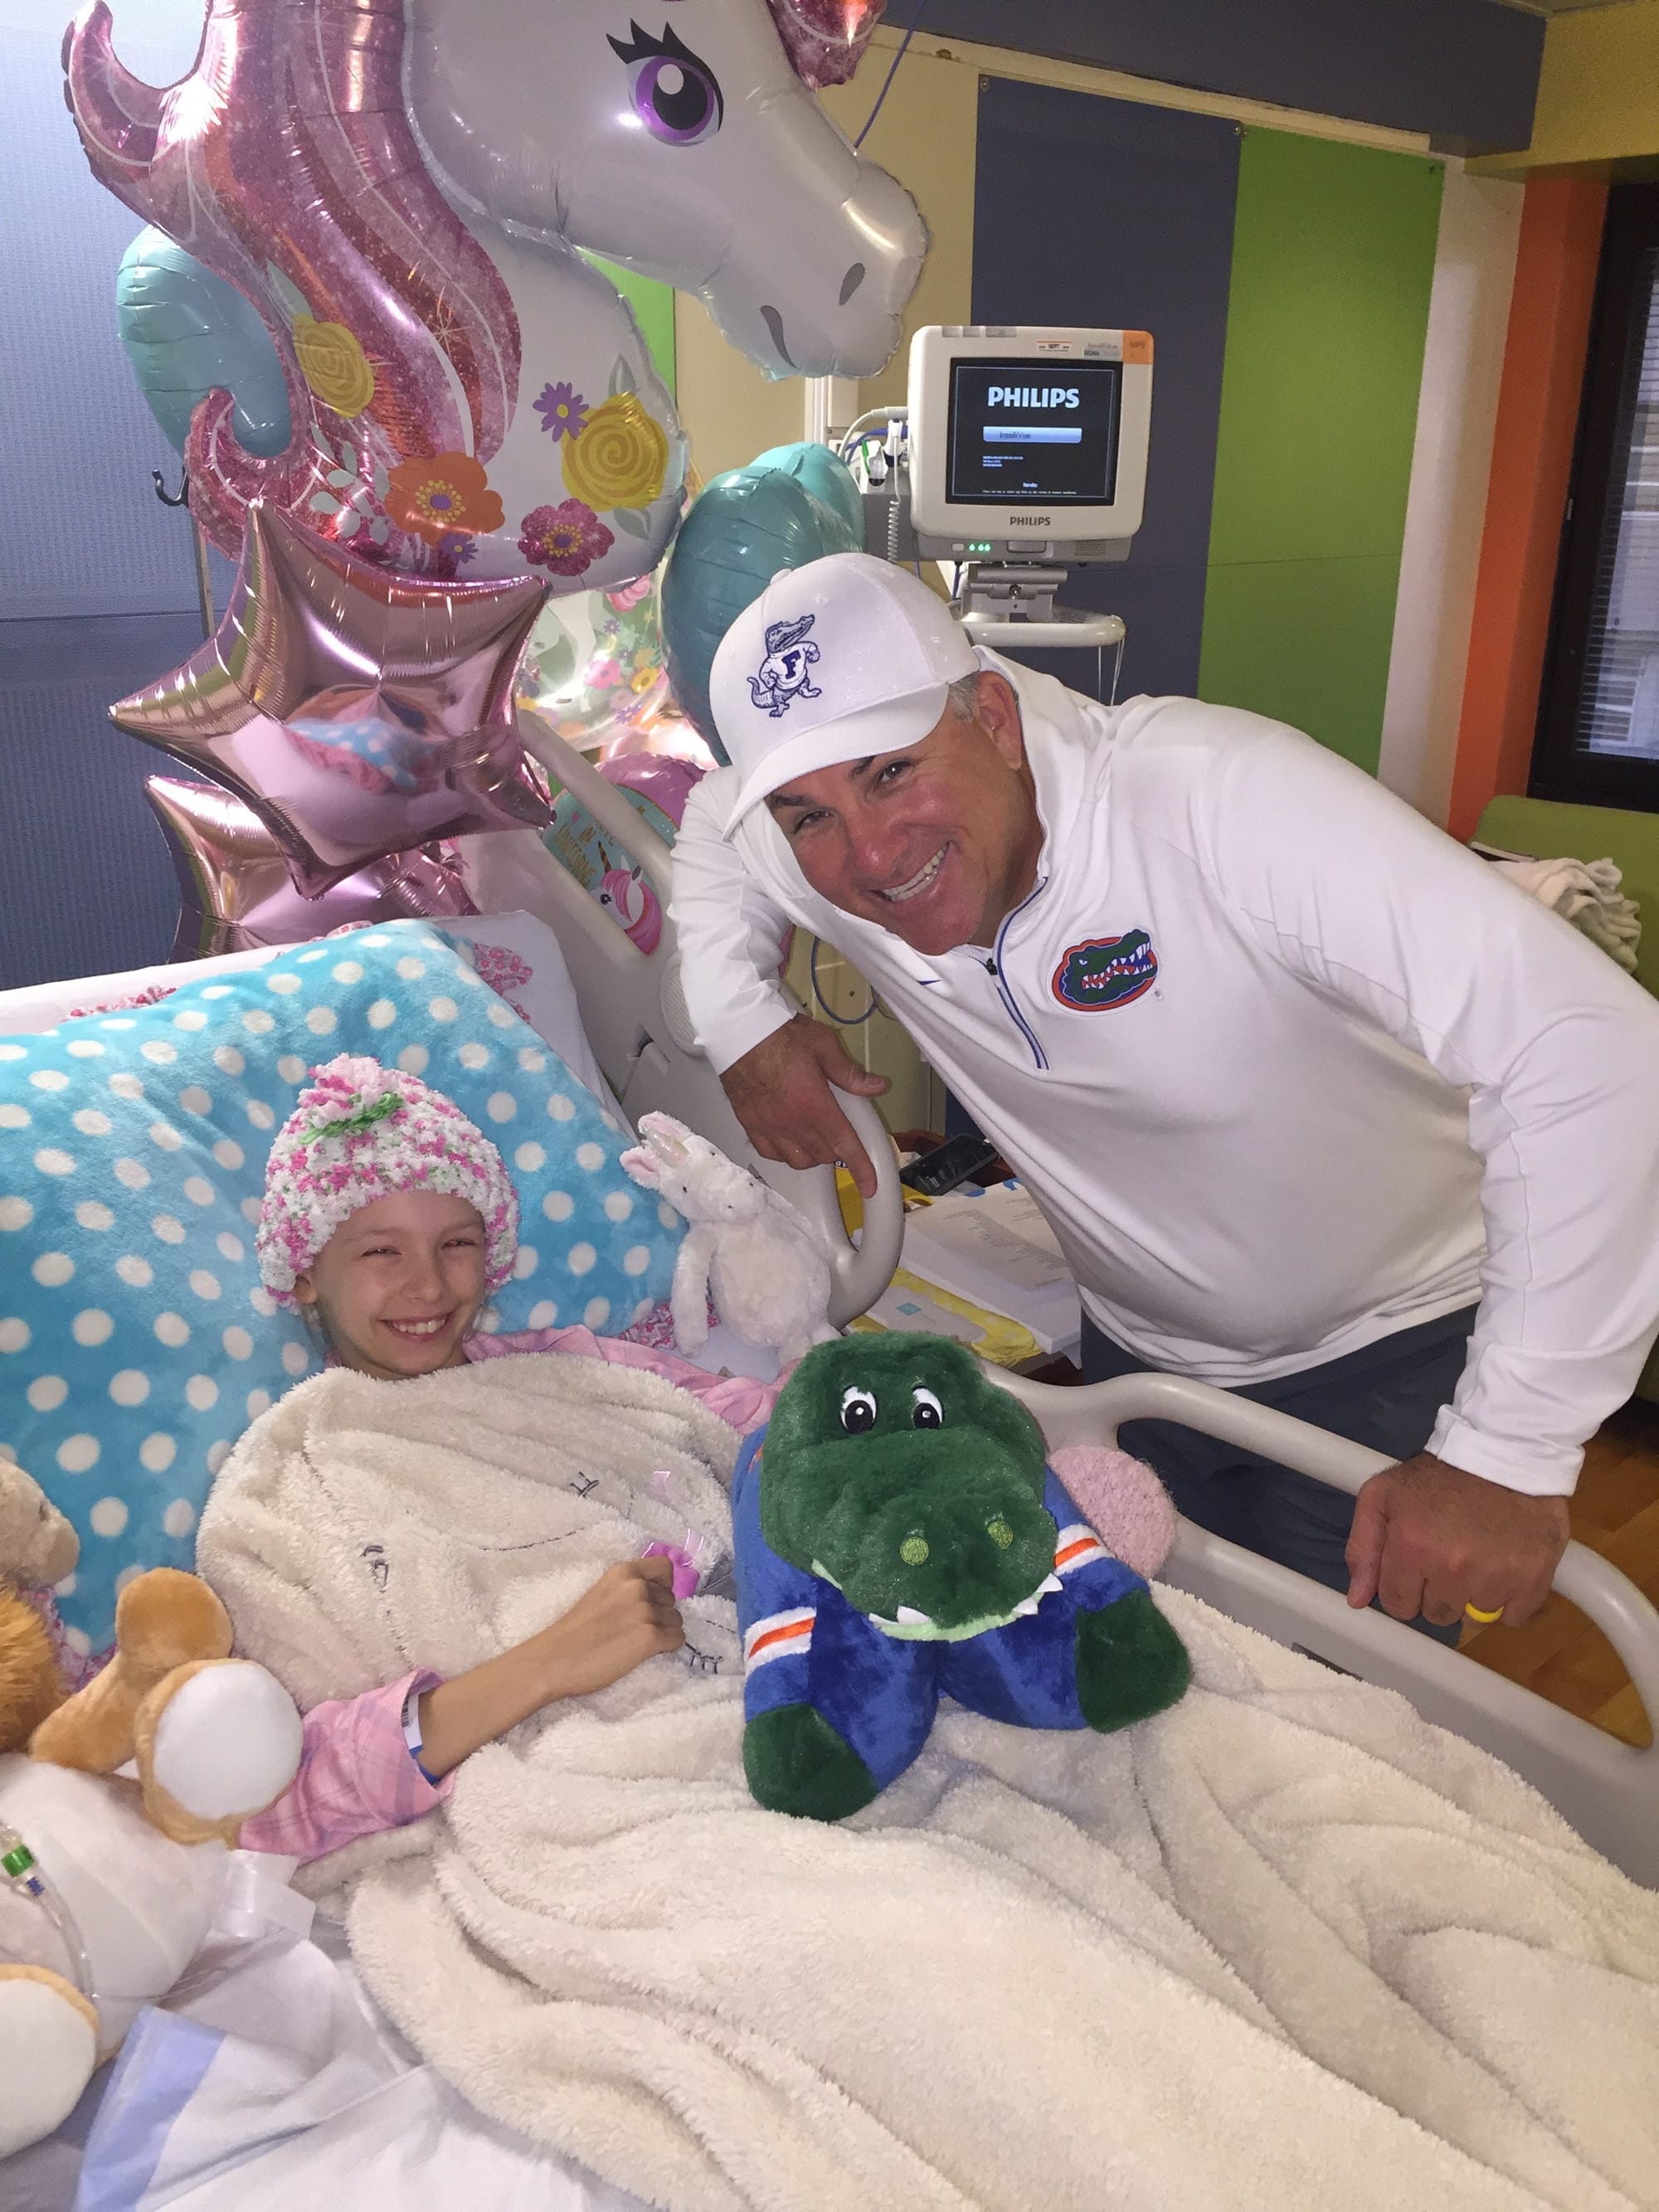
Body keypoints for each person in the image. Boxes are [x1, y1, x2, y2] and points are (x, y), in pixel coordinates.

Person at [669, 552, 1659, 1642]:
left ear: (992, 717)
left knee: (1342, 1722)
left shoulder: (1214, 805)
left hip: (1387, 1353)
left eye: (892, 771)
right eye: (808, 814)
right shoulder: (816, 843)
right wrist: (742, 1023)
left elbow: (1594, 1052)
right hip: (1140, 1368)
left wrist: (1507, 1451)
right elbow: (715, 819)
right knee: (1149, 1682)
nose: (869, 852)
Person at [233, 1054, 776, 1860]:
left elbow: (768, 1426)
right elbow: (262, 1807)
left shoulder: (578, 1371)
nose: (428, 1286)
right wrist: (548, 1662)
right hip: (596, 1803)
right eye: (381, 1252)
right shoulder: (292, 1484)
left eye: (455, 1243)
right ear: (306, 1272)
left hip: (776, 1689)